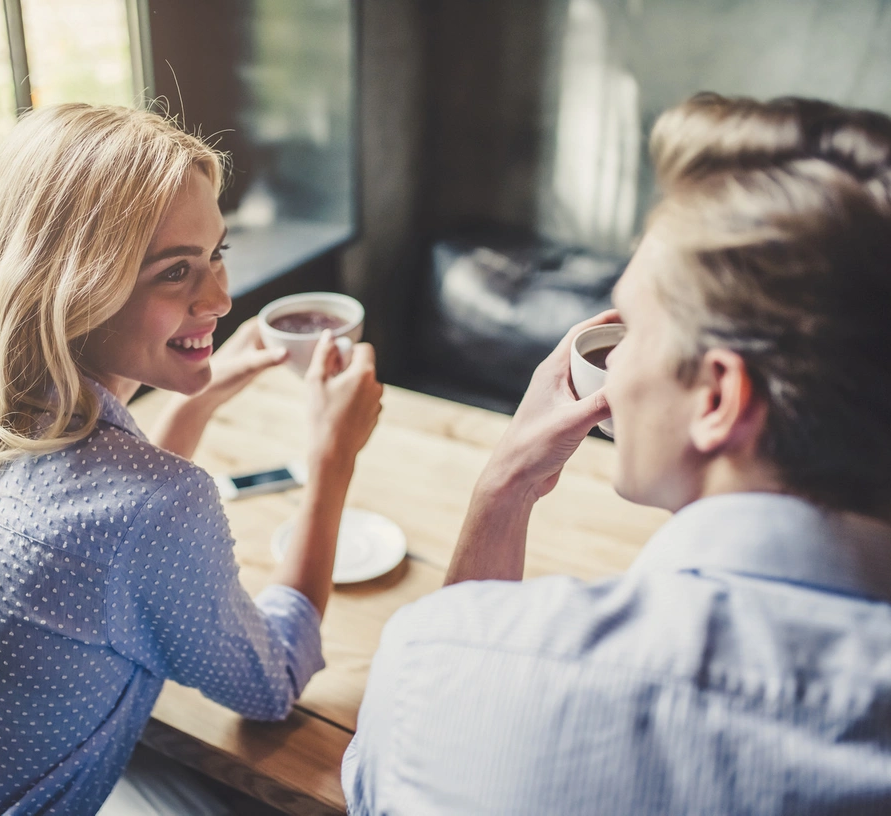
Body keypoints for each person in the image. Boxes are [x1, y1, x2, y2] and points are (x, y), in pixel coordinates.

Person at [0, 103, 382, 814]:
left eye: (217, 255)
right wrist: (331, 461)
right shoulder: (153, 506)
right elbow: (270, 683)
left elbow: (96, 540)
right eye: (176, 272)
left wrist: (192, 406)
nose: (220, 297)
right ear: (73, 287)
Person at [344, 93, 891, 814]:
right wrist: (508, 485)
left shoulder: (443, 669)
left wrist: (498, 487)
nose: (615, 359)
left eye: (631, 326)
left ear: (718, 398)